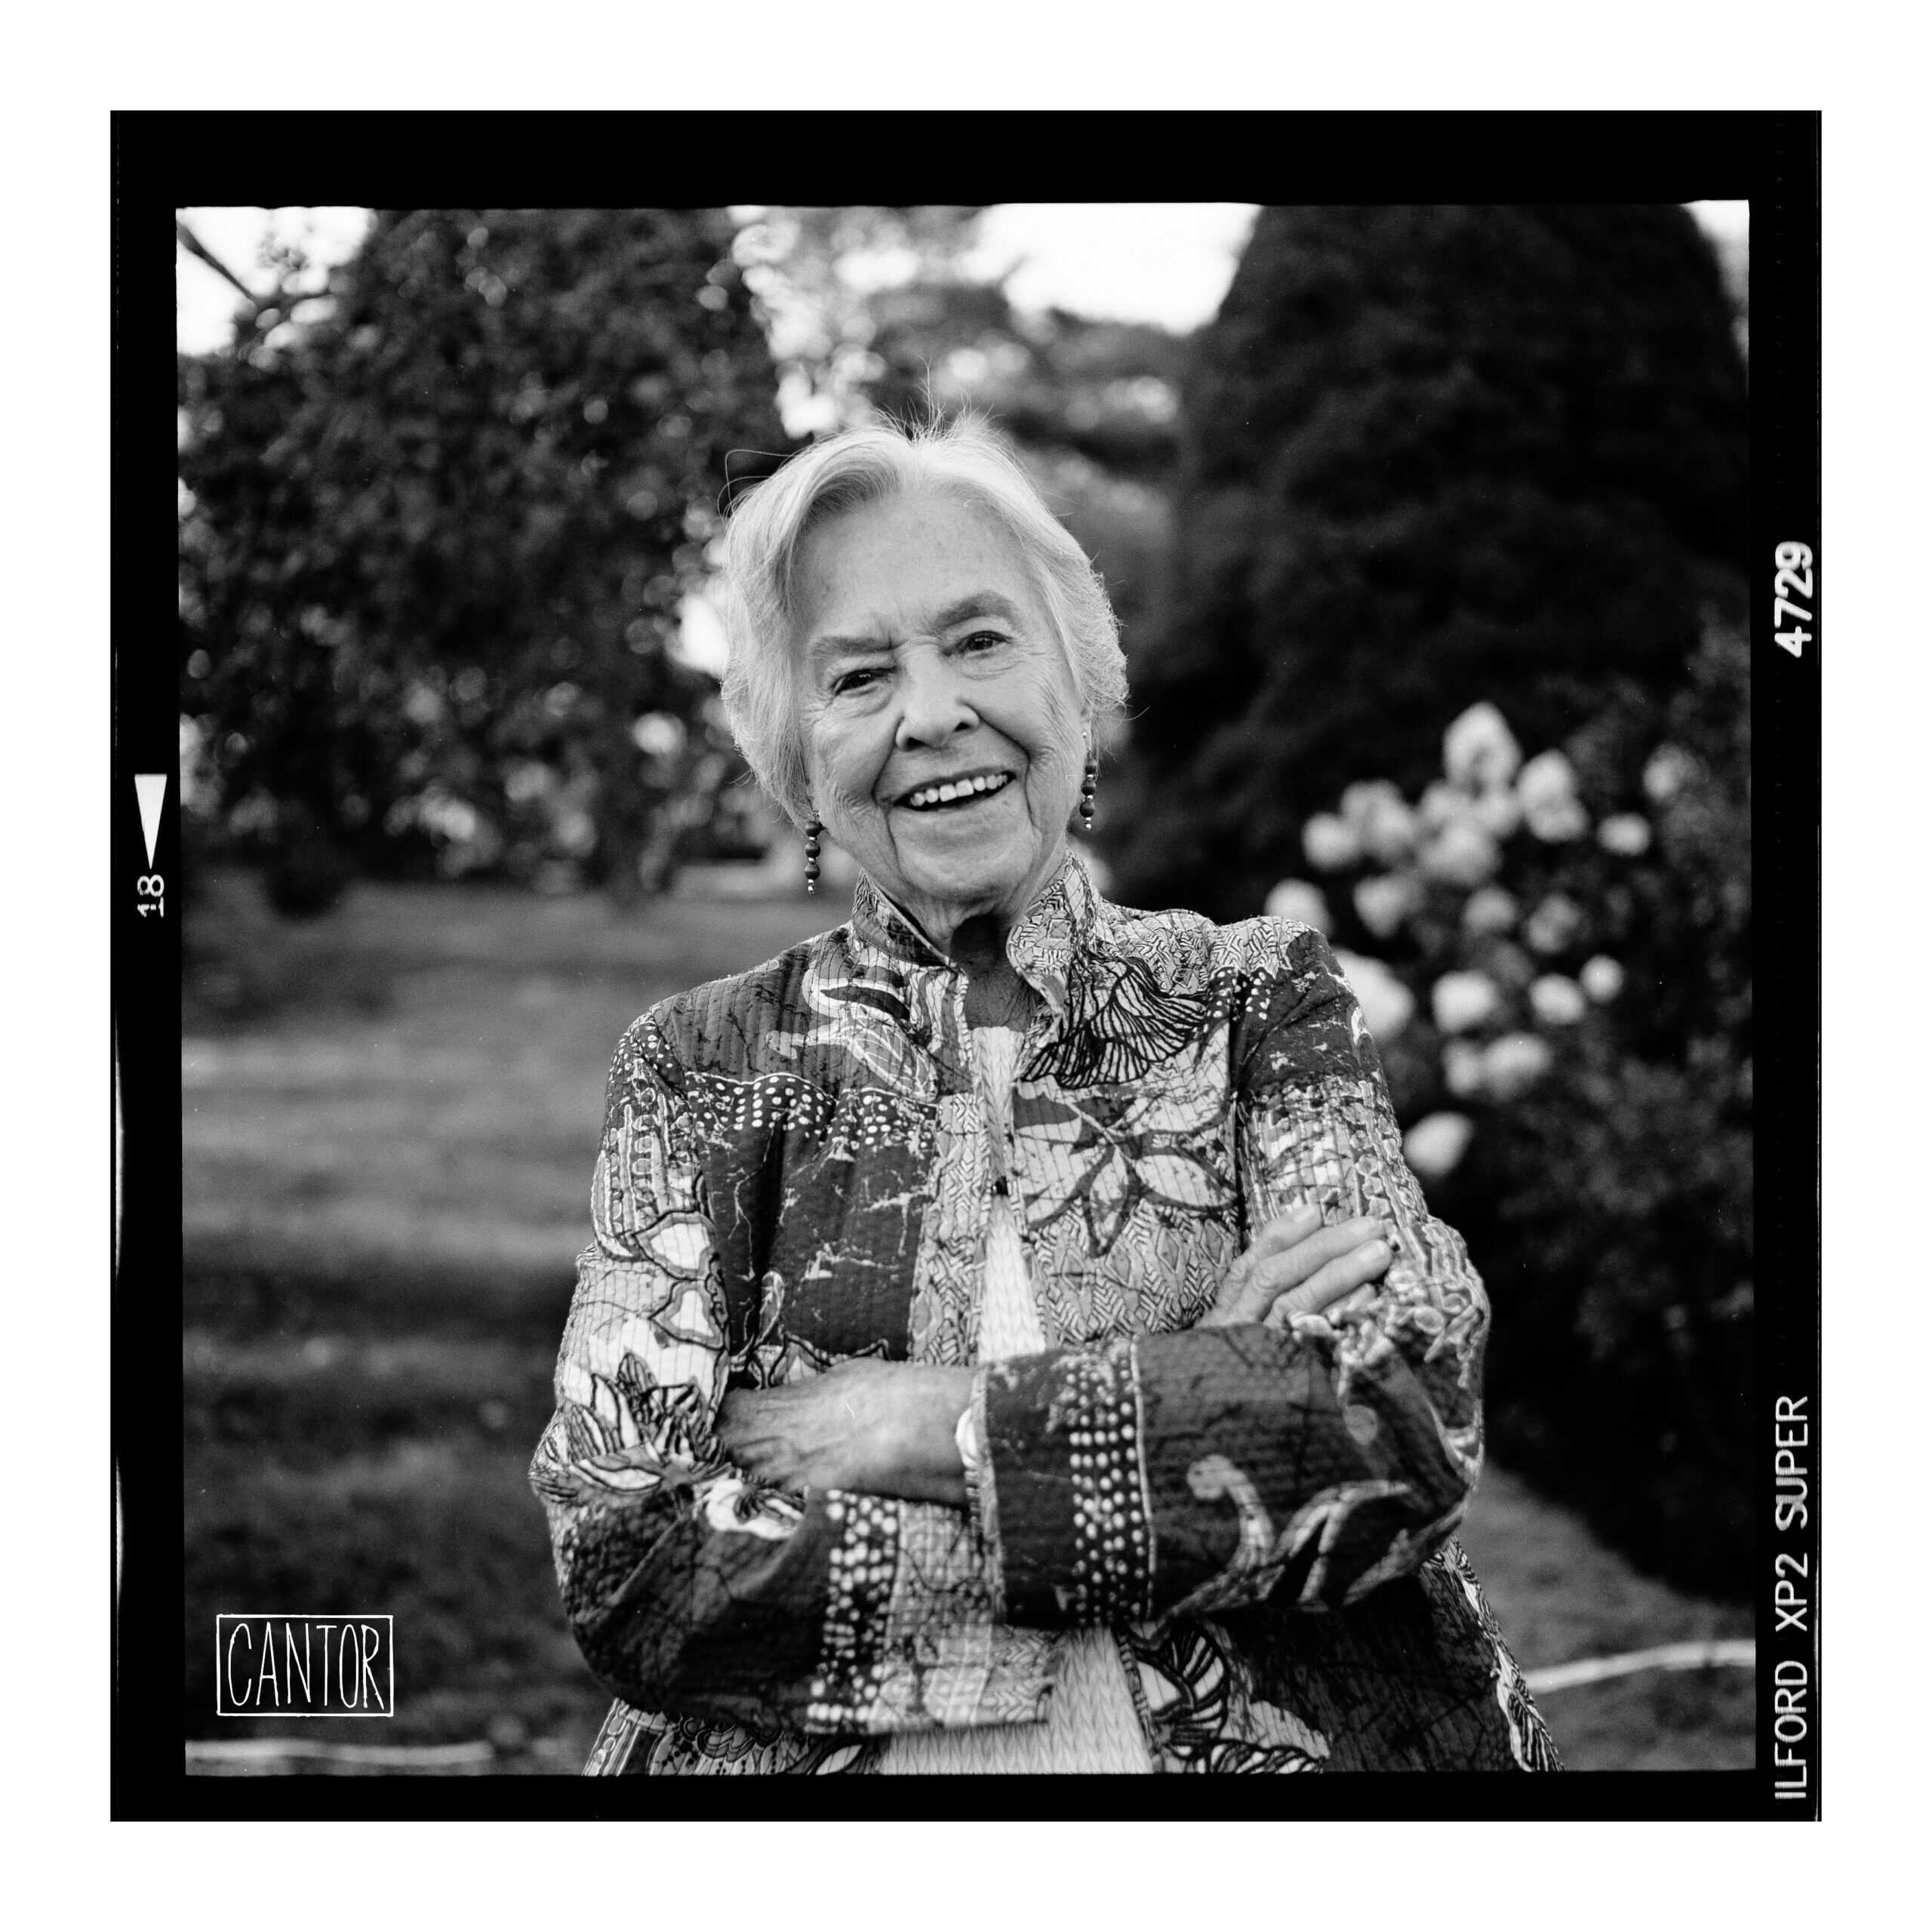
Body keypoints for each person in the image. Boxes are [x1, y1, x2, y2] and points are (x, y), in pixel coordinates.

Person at [531, 417, 1560, 1775]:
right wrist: (1194, 1406)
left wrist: (926, 1424)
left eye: (978, 640)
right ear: (799, 758)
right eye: (859, 675)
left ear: (1079, 683)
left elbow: (1398, 1418)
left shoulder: (1255, 1001)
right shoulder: (702, 1067)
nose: (930, 714)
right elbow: (633, 1560)